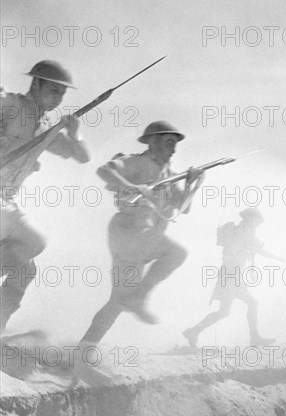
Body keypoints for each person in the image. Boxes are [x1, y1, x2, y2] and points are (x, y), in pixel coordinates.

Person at [79, 121, 205, 344]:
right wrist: (131, 188)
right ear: (153, 142)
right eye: (168, 143)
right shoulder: (138, 162)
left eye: (175, 144)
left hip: (145, 238)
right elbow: (105, 170)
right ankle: (140, 296)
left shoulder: (169, 174)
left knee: (117, 302)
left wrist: (191, 185)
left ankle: (82, 353)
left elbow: (183, 209)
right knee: (176, 253)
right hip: (130, 232)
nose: (174, 149)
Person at [0, 61, 90, 334]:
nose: (58, 98)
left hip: (6, 200)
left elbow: (83, 157)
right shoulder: (11, 104)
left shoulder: (46, 128)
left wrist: (75, 133)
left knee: (29, 258)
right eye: (53, 90)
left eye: (62, 94)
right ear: (35, 84)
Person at [183, 207, 285, 349]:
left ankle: (194, 332)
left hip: (231, 275)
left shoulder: (240, 230)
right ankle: (193, 331)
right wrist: (278, 258)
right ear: (250, 220)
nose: (258, 225)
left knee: (247, 305)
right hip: (231, 276)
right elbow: (260, 250)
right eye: (257, 221)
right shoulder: (246, 233)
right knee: (228, 310)